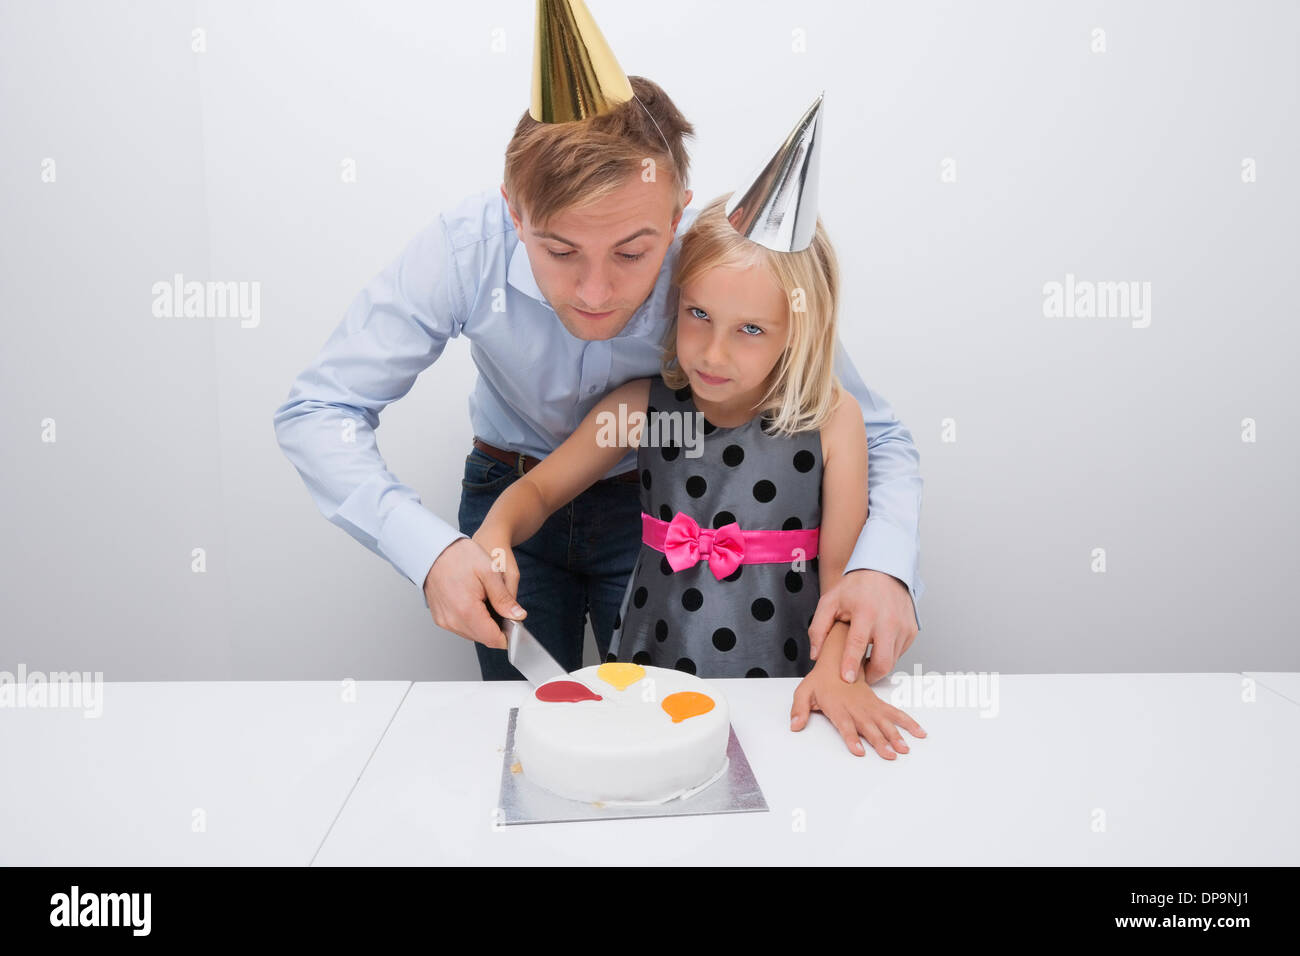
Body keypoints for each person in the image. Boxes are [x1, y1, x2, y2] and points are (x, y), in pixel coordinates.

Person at [272, 2, 924, 687]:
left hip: (655, 506)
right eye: (558, 250)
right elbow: (319, 411)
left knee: (655, 721)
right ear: (514, 212)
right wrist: (429, 551)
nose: (593, 290)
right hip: (509, 492)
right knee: (529, 730)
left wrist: (880, 568)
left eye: (633, 252)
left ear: (676, 216)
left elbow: (874, 434)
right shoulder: (464, 252)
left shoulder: (717, 275)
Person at [467, 95, 927, 759]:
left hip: (784, 687)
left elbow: (840, 583)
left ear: (798, 330)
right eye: (697, 316)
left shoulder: (834, 424)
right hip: (652, 684)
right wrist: (497, 533)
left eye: (750, 331)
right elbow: (538, 492)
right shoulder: (640, 410)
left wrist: (838, 677)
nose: (713, 354)